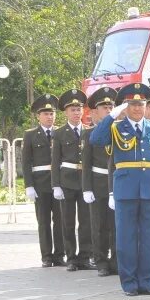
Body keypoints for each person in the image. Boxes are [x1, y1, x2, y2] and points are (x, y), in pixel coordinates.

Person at [89, 83, 150, 296]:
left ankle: (147, 282)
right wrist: (111, 116)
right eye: (133, 104)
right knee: (126, 239)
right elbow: (95, 139)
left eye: (141, 104)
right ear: (126, 106)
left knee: (148, 238)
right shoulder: (116, 128)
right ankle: (129, 283)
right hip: (125, 190)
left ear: (146, 106)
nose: (137, 108)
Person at [51, 89, 93, 271]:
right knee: (67, 221)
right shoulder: (59, 133)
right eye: (73, 110)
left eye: (79, 109)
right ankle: (71, 257)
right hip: (67, 180)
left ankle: (85, 256)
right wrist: (56, 185)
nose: (77, 113)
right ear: (66, 112)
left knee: (86, 221)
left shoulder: (89, 132)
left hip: (84, 181)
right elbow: (54, 161)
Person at [23, 94, 64, 267]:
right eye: (46, 113)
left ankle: (59, 255)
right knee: (44, 222)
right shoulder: (30, 135)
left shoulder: (60, 133)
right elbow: (26, 162)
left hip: (59, 183)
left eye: (52, 113)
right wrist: (29, 186)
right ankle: (46, 256)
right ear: (38, 116)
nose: (50, 116)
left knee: (61, 221)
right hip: (40, 184)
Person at [82, 86, 118, 277]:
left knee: (116, 225)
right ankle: (101, 261)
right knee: (99, 225)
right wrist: (87, 188)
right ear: (95, 111)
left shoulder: (120, 131)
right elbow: (86, 163)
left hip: (117, 183)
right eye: (104, 107)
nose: (109, 110)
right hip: (98, 182)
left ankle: (116, 261)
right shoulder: (90, 134)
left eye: (111, 106)